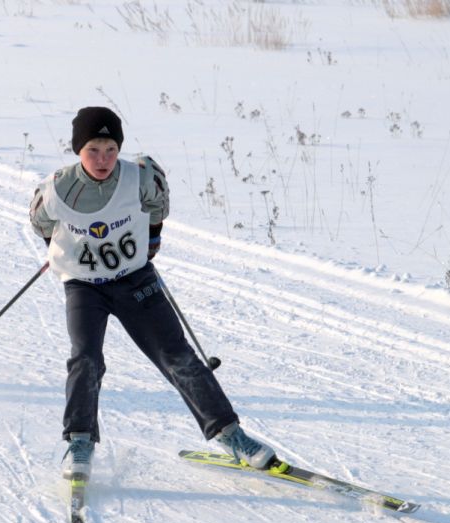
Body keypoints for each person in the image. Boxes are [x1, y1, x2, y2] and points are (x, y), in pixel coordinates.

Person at [29, 106, 275, 480]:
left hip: (134, 279)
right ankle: (79, 442)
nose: (103, 159)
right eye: (93, 149)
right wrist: (63, 247)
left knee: (178, 356)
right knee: (86, 358)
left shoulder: (140, 176)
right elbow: (40, 223)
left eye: (111, 149)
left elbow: (158, 208)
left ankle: (231, 435)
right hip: (84, 286)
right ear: (78, 149)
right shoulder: (57, 188)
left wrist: (151, 245)